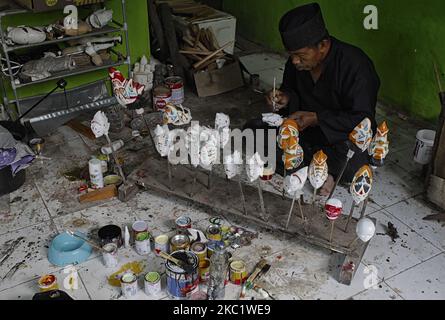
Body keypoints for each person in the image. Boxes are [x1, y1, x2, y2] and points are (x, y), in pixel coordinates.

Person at [244, 2, 380, 196]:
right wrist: (285, 97)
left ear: (323, 46)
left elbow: (363, 120)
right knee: (252, 131)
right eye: (291, 55)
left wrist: (318, 118)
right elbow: (291, 91)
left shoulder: (356, 66)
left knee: (355, 163)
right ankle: (317, 170)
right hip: (304, 134)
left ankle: (316, 169)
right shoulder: (296, 63)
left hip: (338, 139)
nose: (294, 61)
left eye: (300, 55)